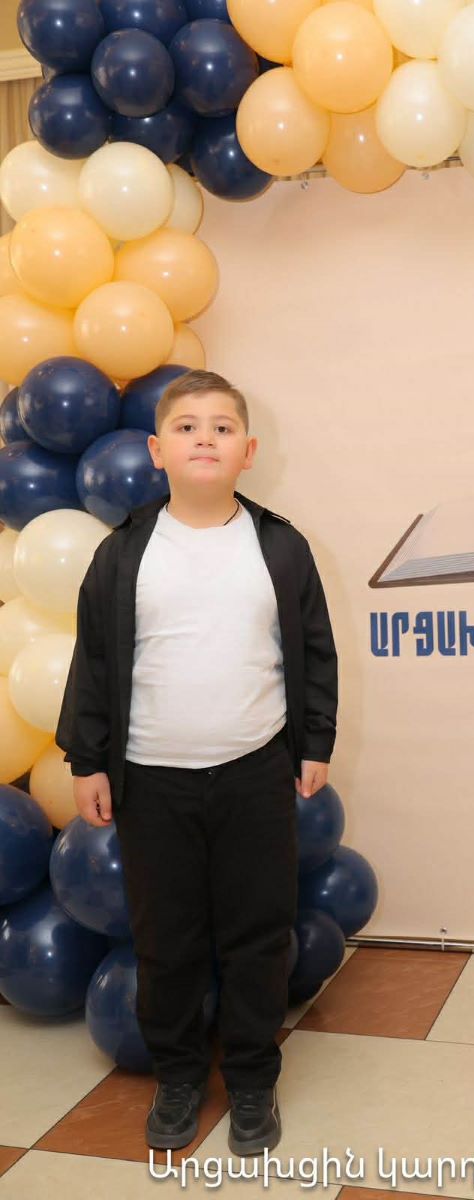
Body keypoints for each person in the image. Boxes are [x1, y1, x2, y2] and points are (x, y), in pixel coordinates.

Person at [54, 369, 338, 1158]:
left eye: (221, 427)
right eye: (186, 427)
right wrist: (87, 758)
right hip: (151, 781)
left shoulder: (280, 547)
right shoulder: (124, 554)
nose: (203, 438)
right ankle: (179, 1075)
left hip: (255, 775)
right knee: (168, 940)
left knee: (256, 936)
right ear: (157, 451)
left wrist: (315, 741)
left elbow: (315, 651)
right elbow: (94, 662)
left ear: (249, 450)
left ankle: (250, 1079)